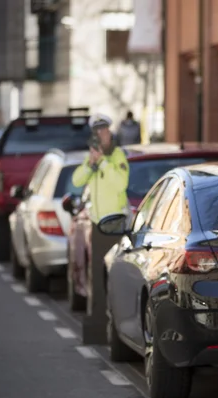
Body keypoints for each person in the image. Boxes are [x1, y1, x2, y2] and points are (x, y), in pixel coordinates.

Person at [71, 113, 130, 343]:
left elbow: (120, 183)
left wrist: (103, 162)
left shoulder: (117, 156)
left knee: (114, 279)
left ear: (109, 132)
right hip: (97, 227)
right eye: (97, 131)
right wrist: (91, 164)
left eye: (104, 130)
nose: (101, 134)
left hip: (115, 227)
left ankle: (117, 326)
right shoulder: (94, 159)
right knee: (96, 278)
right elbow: (77, 180)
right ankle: (99, 324)